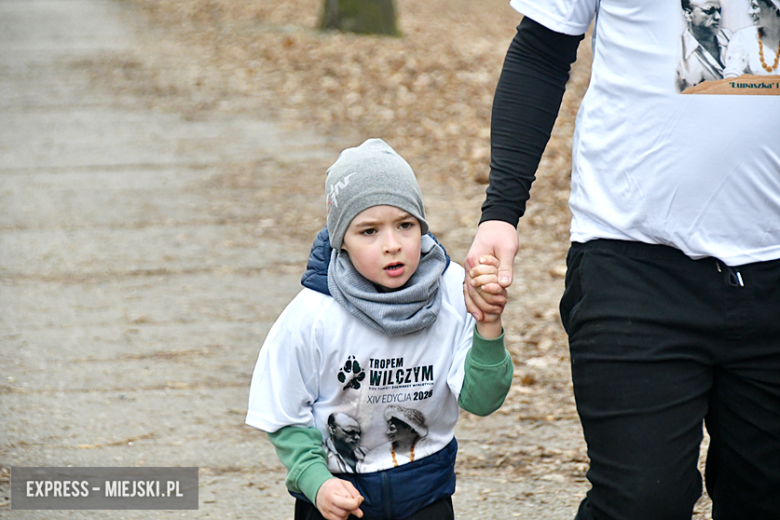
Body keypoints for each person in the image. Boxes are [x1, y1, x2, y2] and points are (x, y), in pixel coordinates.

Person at [464, 1, 780, 519]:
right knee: (641, 501)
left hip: (772, 270)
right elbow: (540, 52)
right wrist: (501, 212)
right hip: (633, 263)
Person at [247, 138, 514, 520]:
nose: (392, 245)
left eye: (405, 225)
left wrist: (488, 323)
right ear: (341, 240)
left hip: (425, 492)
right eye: (369, 231)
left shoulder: (455, 292)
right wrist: (316, 482)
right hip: (337, 494)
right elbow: (284, 410)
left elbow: (482, 401)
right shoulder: (313, 314)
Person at [676, 0, 732, 92]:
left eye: (719, 11)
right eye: (709, 11)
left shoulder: (732, 39)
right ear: (688, 14)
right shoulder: (677, 55)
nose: (718, 17)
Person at [723, 0, 780, 77]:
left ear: (773, 7)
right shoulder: (744, 37)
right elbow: (732, 72)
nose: (749, 12)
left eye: (755, 7)